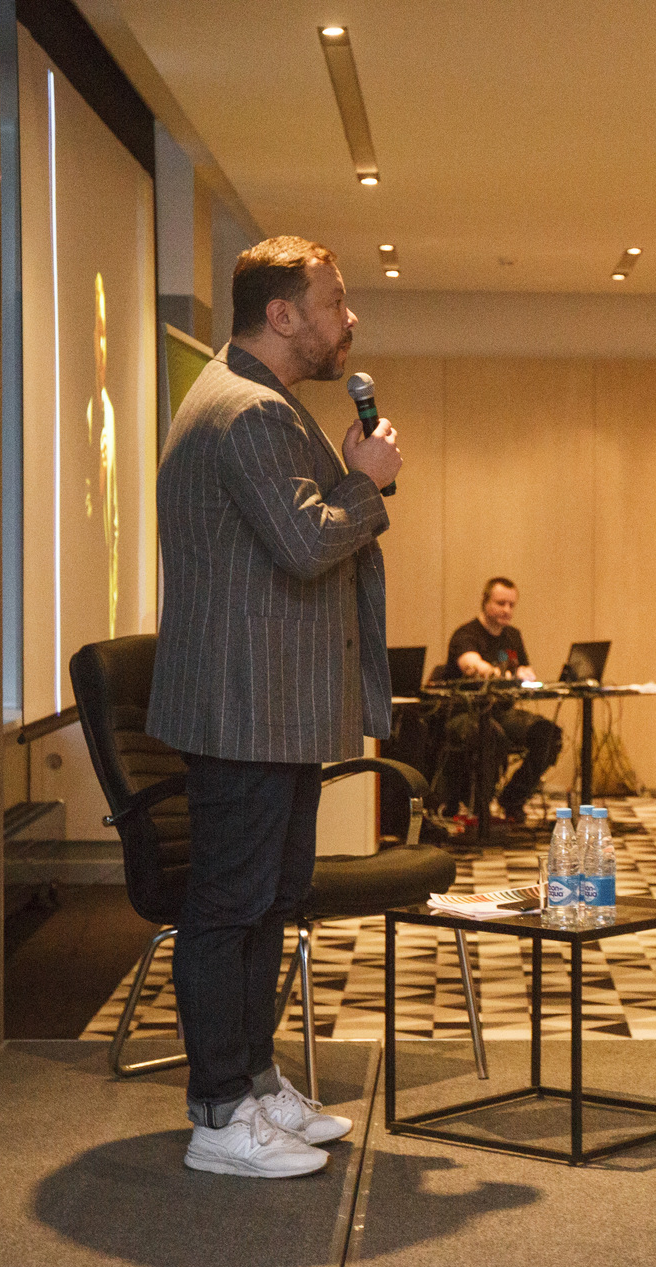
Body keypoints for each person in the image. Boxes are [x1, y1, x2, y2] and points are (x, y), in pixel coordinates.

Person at [149, 236, 402, 1178]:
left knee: (262, 905)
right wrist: (366, 483)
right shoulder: (249, 410)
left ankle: (251, 1082)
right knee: (230, 909)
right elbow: (305, 545)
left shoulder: (255, 399)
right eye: (335, 301)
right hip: (247, 707)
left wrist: (352, 475)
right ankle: (220, 1114)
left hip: (268, 705)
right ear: (283, 314)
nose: (350, 318)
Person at [434, 577, 565, 824]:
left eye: (511, 605)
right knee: (489, 734)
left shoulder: (512, 637)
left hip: (501, 712)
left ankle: (513, 798)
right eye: (500, 603)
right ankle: (479, 810)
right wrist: (497, 673)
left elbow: (523, 668)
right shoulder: (466, 634)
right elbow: (471, 663)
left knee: (547, 735)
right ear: (485, 602)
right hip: (465, 713)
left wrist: (525, 673)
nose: (507, 610)